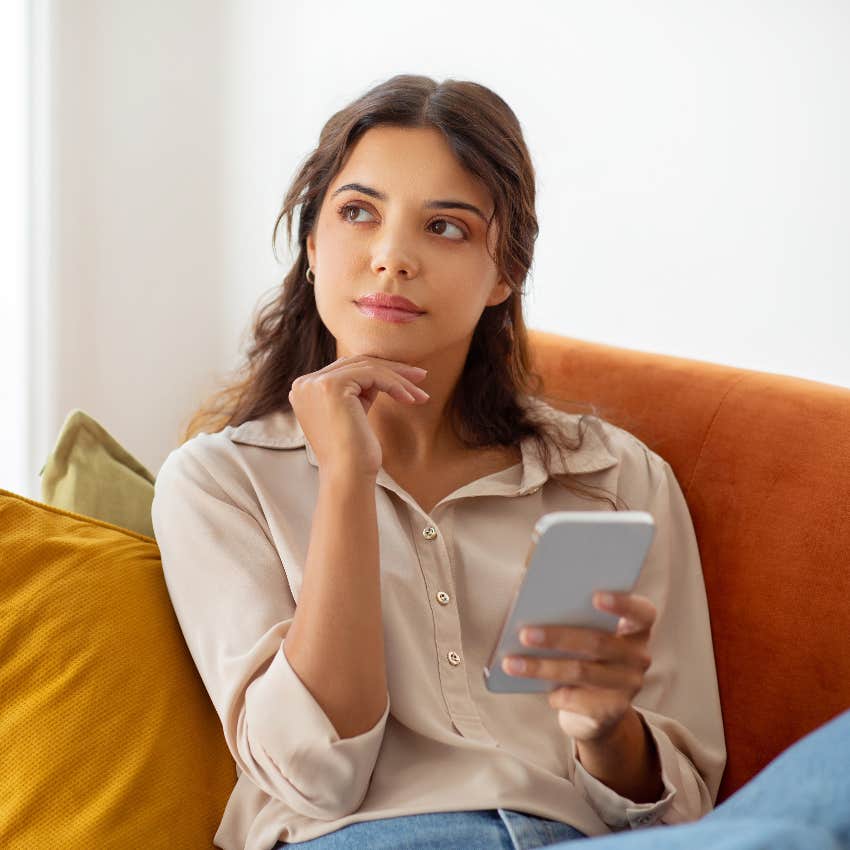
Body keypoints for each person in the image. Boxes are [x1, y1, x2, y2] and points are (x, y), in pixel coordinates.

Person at [150, 74, 846, 850]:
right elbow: (316, 776)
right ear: (312, 246)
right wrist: (346, 478)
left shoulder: (614, 476)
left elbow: (683, 809)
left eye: (445, 227)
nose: (391, 258)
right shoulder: (219, 482)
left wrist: (607, 730)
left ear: (505, 273)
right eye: (357, 213)